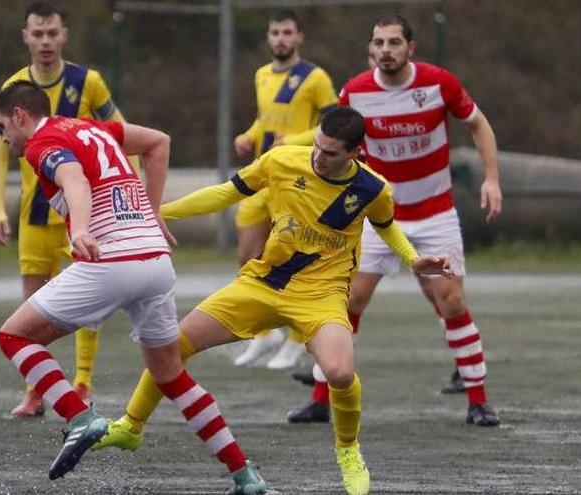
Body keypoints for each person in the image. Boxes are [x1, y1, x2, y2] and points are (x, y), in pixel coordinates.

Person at [93, 105, 453, 495]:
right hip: (263, 284)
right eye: (317, 146)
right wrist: (159, 213)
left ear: (354, 152)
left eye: (330, 153)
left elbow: (387, 227)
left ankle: (348, 451)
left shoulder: (373, 189)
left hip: (322, 295)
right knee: (173, 345)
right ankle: (130, 427)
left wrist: (413, 259)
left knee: (341, 374)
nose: (319, 156)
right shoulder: (282, 160)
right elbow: (225, 193)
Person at [0, 81, 266, 492]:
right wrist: (152, 214)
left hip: (111, 261)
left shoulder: (40, 144)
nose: (4, 139)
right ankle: (245, 476)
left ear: (18, 116)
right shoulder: (93, 128)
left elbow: (75, 180)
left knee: (13, 336)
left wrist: (81, 229)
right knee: (171, 375)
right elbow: (158, 142)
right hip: (156, 262)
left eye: (1, 128)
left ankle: (80, 417)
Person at [286, 14, 502, 427]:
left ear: (410, 48)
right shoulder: (356, 91)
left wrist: (492, 179)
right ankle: (320, 398)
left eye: (394, 43)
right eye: (379, 43)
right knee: (347, 300)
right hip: (378, 216)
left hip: (435, 214)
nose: (386, 50)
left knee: (451, 299)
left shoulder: (439, 84)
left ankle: (478, 401)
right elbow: (332, 146)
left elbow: (479, 125)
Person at [0, 2, 131, 417]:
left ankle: (82, 382)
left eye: (53, 33)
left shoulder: (89, 82)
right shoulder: (13, 87)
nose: (46, 41)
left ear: (64, 35)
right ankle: (36, 390)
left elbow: (121, 137)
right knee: (32, 303)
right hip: (35, 215)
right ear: (25, 37)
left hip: (85, 215)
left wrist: (132, 197)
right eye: (38, 34)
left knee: (88, 299)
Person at [231, 9, 339, 370]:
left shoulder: (315, 77)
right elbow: (265, 118)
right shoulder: (261, 75)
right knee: (248, 256)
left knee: (296, 261)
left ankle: (295, 339)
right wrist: (248, 137)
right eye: (275, 32)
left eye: (287, 32)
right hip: (265, 175)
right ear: (268, 37)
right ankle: (265, 335)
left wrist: (296, 140)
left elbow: (333, 123)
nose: (280, 38)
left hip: (299, 179)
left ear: (299, 37)